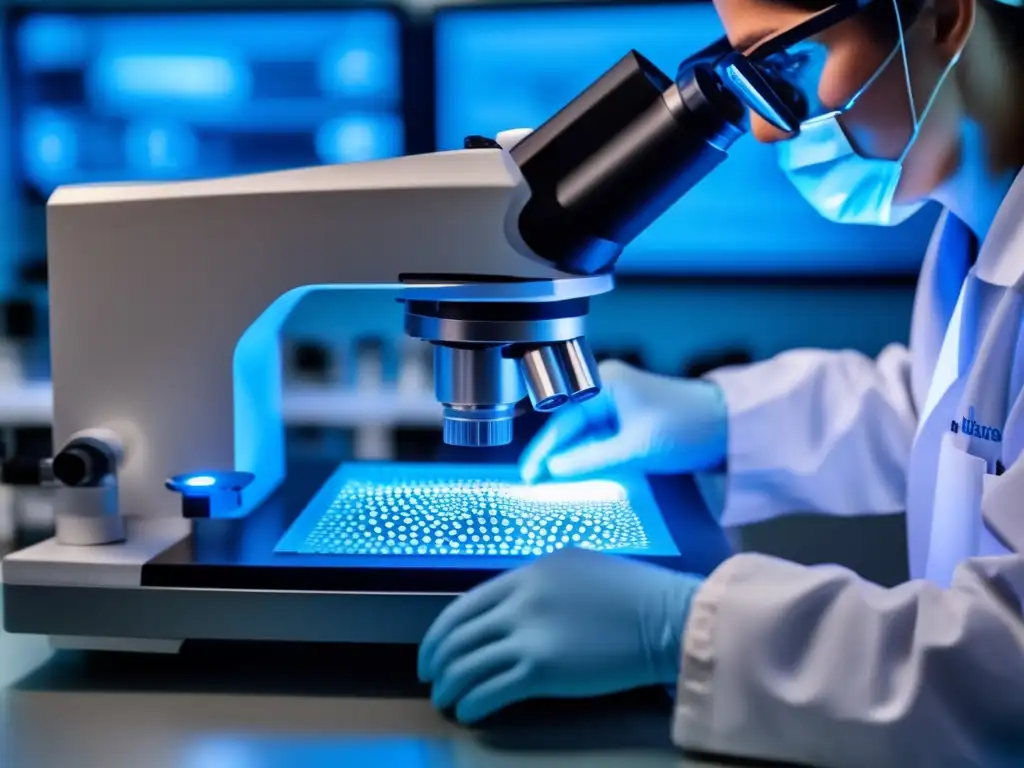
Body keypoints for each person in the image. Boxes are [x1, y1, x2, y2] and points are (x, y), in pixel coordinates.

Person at [417, 0, 1024, 764]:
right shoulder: (971, 228)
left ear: (942, 16)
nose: (768, 129)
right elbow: (944, 413)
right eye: (748, 73)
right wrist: (718, 416)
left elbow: (1009, 664)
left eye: (789, 61)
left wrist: (683, 628)